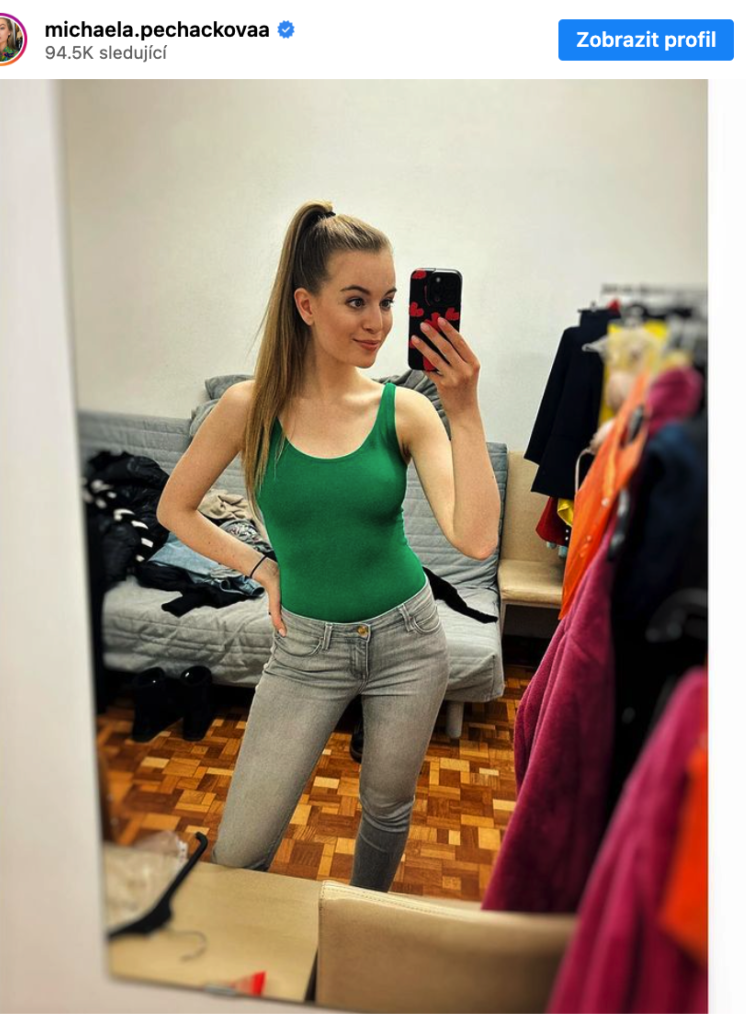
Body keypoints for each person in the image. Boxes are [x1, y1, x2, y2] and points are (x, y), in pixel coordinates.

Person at [157, 200, 501, 892]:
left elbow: (473, 538)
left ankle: (360, 931)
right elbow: (175, 509)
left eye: (388, 301)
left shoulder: (405, 409)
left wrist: (463, 410)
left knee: (386, 809)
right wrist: (262, 569)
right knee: (240, 848)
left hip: (409, 640)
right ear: (306, 305)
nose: (378, 322)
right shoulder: (246, 408)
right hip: (305, 651)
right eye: (356, 300)